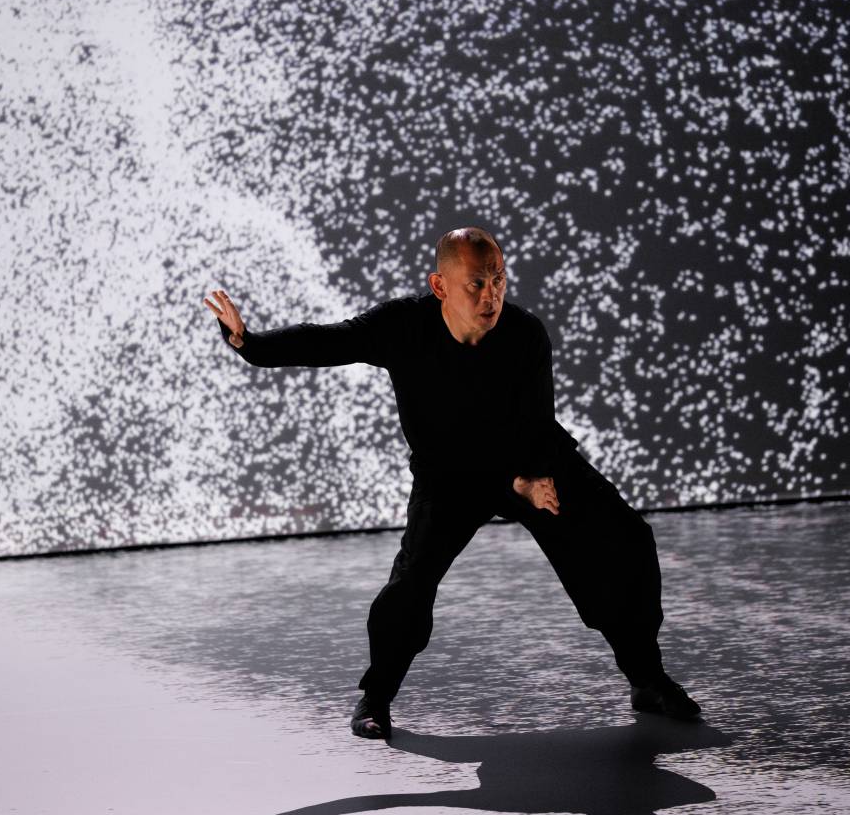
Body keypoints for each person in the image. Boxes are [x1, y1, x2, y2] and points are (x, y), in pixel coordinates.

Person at [203, 226, 700, 739]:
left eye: (499, 280)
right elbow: (331, 341)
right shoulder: (404, 326)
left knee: (628, 539)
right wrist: (249, 343)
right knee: (410, 585)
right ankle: (376, 697)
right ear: (440, 286)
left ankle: (646, 676)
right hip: (451, 477)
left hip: (527, 463)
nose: (492, 296)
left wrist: (528, 482)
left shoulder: (526, 335)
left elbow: (535, 424)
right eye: (477, 284)